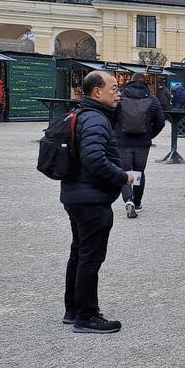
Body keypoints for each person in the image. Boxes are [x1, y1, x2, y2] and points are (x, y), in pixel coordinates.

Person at [61, 70, 134, 334]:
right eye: (114, 89)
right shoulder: (94, 119)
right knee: (90, 256)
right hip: (90, 198)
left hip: (76, 194)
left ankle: (73, 309)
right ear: (96, 92)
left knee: (79, 253)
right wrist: (122, 176)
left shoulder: (82, 115)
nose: (118, 93)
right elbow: (94, 159)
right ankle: (86, 315)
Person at [113, 73, 165, 219]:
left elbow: (111, 118)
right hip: (142, 143)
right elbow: (160, 122)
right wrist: (149, 135)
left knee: (124, 171)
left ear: (130, 82)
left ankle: (128, 199)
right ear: (145, 83)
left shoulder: (120, 98)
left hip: (122, 142)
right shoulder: (152, 100)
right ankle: (137, 201)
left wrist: (115, 134)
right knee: (138, 172)